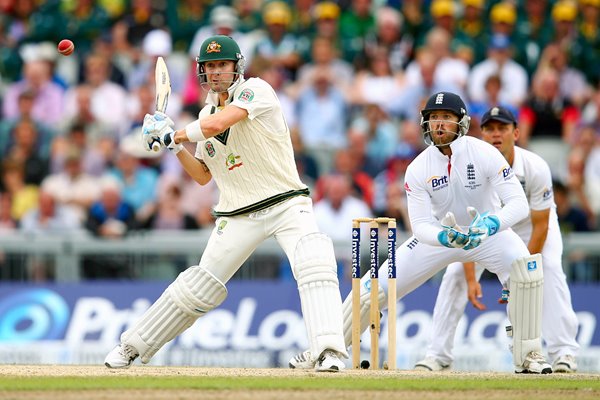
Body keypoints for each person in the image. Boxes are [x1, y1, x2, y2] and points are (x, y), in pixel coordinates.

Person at [104, 35, 347, 372]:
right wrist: (174, 148)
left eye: (223, 65)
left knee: (314, 261)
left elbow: (219, 123)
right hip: (238, 214)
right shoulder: (204, 114)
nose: (216, 72)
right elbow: (203, 175)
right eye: (210, 66)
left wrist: (172, 135)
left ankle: (329, 352)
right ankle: (131, 348)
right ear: (202, 71)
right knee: (197, 287)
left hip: (286, 203)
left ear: (237, 68)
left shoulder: (255, 91)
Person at [289, 91, 553, 374]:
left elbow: (519, 205)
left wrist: (491, 224)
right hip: (440, 236)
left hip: (488, 235)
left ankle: (528, 355)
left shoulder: (485, 153)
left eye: (446, 118)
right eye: (433, 118)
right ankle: (324, 351)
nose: (439, 124)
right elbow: (422, 226)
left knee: (526, 270)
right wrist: (443, 236)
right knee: (372, 289)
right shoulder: (418, 168)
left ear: (461, 122)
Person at [414, 106, 579, 373]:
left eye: (501, 128)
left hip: (529, 227)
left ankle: (564, 352)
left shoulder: (535, 167)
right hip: (485, 229)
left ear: (516, 132)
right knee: (454, 275)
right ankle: (438, 354)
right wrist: (470, 277)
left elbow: (540, 225)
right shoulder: (468, 164)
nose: (495, 135)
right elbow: (463, 222)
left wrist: (518, 273)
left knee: (547, 270)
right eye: (489, 129)